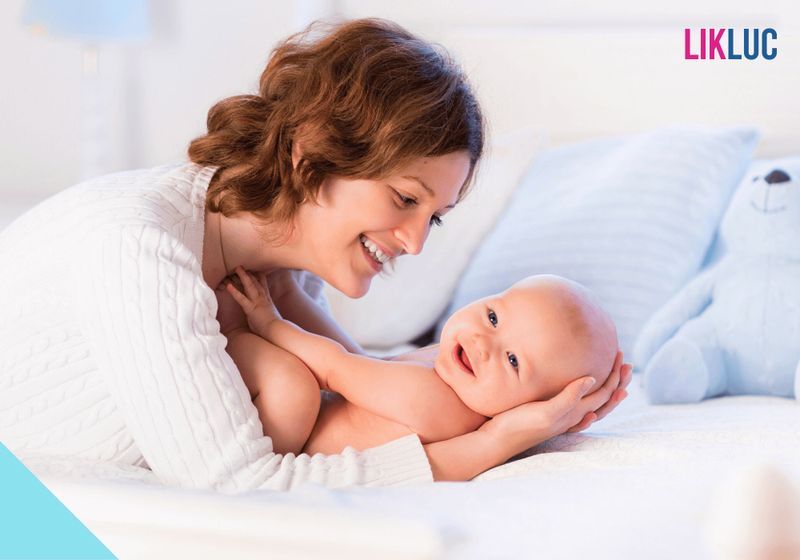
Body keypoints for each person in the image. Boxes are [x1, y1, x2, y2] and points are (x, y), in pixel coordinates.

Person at [0, 18, 630, 492]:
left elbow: (360, 391)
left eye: (432, 217)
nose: (414, 242)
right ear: (311, 152)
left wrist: (530, 409)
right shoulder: (139, 246)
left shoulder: (278, 272)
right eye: (404, 199)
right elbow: (241, 487)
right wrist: (492, 442)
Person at [220, 268, 621, 464]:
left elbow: (335, 366)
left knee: (293, 383)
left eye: (513, 361)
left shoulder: (438, 400)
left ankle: (226, 335)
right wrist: (288, 291)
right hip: (312, 409)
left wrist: (269, 321)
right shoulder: (455, 370)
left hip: (288, 435)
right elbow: (360, 361)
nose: (482, 343)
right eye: (494, 317)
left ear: (531, 407)